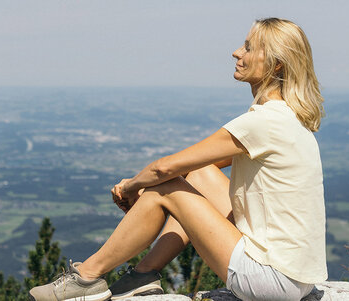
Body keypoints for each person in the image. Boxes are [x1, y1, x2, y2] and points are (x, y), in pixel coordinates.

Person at [29, 17, 326, 301]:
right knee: (196, 176)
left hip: (268, 281)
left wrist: (131, 188)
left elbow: (165, 167)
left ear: (275, 64)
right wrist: (148, 192)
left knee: (167, 188)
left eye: (248, 47)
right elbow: (193, 169)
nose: (236, 52)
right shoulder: (289, 117)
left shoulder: (263, 122)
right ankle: (143, 275)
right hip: (295, 278)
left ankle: (87, 277)